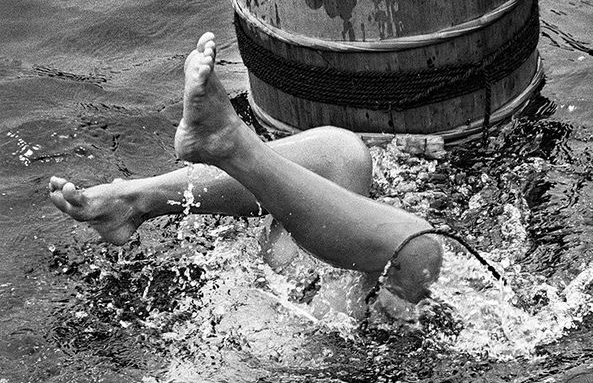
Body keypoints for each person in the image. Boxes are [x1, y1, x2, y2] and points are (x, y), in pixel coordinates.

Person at [48, 32, 443, 304]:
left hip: (314, 332)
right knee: (341, 153)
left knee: (418, 250)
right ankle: (137, 199)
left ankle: (229, 145)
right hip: (316, 297)